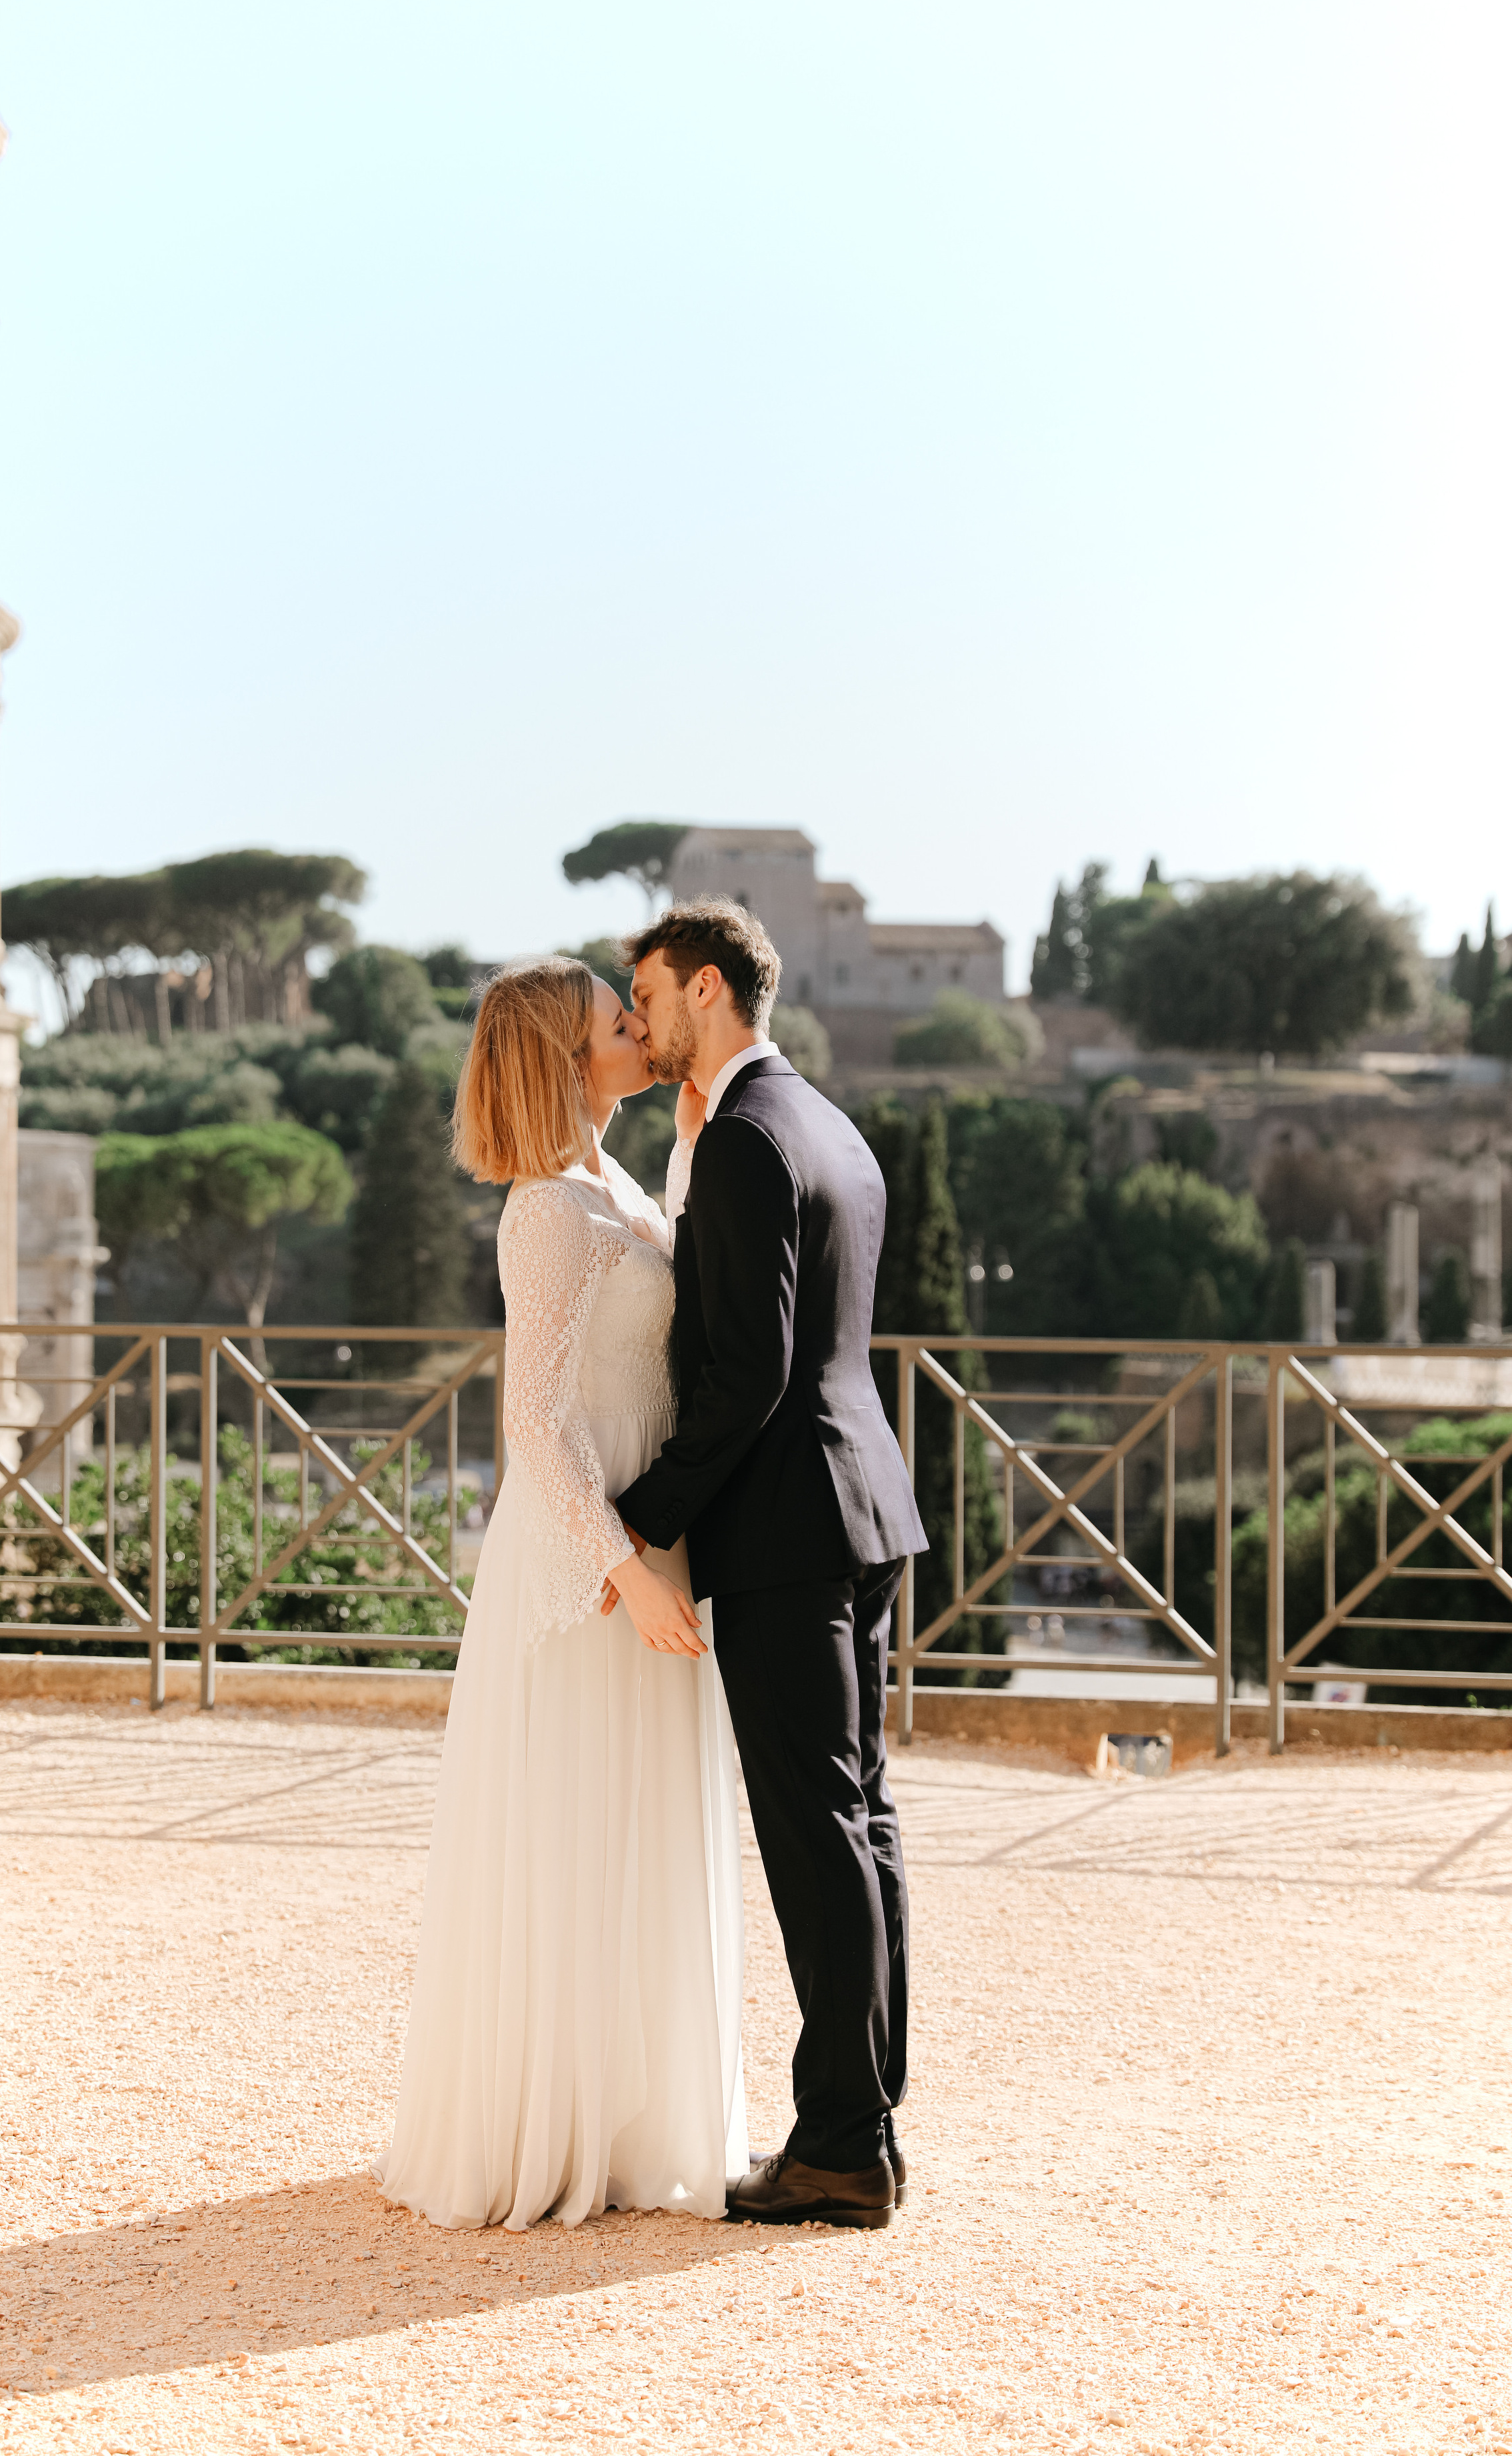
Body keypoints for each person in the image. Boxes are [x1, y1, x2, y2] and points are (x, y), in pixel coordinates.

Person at [376, 955, 747, 2229]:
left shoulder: (616, 1183)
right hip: (585, 1571)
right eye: (616, 1020)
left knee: (635, 1831)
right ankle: (552, 2131)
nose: (640, 1029)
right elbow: (531, 1415)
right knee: (575, 1832)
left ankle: (634, 2127)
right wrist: (621, 1569)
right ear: (569, 1055)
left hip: (644, 1547)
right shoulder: (545, 1210)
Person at [616, 898, 925, 2233]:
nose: (638, 1023)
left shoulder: (744, 1140)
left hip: (786, 1534)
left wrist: (637, 1519)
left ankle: (842, 2148)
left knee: (815, 1837)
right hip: (863, 1511)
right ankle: (865, 2122)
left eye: (646, 997)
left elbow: (743, 1378)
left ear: (703, 988)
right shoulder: (823, 1125)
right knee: (858, 1822)